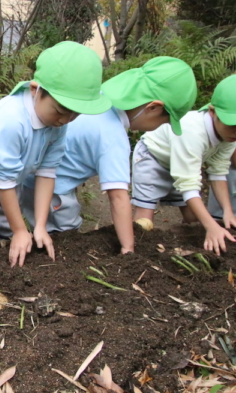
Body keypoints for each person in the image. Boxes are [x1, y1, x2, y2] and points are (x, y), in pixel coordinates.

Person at [0, 41, 111, 267]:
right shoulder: (11, 120)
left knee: (3, 243)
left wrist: (39, 226)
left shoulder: (59, 124)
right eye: (60, 111)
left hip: (12, 187)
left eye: (75, 115)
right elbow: (4, 180)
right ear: (35, 90)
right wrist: (21, 230)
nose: (66, 120)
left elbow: (47, 171)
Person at [43, 57, 197, 254]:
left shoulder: (98, 98)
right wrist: (128, 248)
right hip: (54, 189)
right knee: (66, 235)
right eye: (165, 122)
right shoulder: (113, 137)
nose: (161, 127)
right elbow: (118, 198)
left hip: (40, 173)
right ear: (153, 108)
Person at [133, 74, 236, 255]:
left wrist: (228, 211)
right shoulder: (192, 132)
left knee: (194, 219)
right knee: (145, 220)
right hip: (153, 158)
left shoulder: (230, 136)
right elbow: (188, 186)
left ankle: (187, 249)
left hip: (183, 165)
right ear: (212, 112)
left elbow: (218, 172)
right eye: (232, 125)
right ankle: (136, 254)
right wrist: (212, 226)